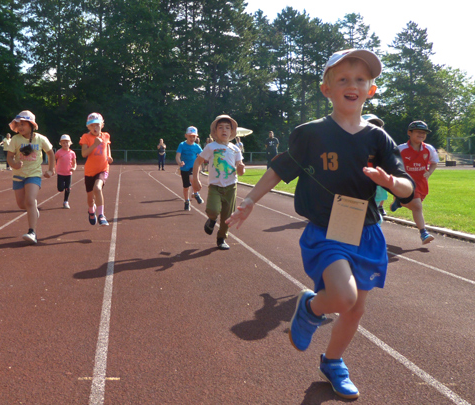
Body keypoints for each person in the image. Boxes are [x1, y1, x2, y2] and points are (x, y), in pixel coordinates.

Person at [226, 49, 415, 399]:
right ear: (326, 89)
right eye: (342, 79)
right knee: (344, 297)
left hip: (368, 231)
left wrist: (390, 182)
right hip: (327, 230)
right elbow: (280, 168)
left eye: (360, 79)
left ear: (371, 89)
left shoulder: (379, 138)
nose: (352, 85)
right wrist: (250, 200)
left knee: (356, 309)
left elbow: (407, 186)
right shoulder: (310, 133)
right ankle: (310, 307)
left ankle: (332, 361)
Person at [190, 114, 245, 250]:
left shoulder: (235, 149)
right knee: (212, 210)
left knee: (227, 217)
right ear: (215, 131)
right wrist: (195, 179)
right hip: (215, 186)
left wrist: (241, 168)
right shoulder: (211, 147)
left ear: (232, 132)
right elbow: (198, 162)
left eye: (227, 127)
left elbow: (240, 170)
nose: (224, 130)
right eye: (220, 128)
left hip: (231, 187)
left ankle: (221, 238)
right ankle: (212, 219)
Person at [6, 110, 55, 244]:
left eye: (24, 124)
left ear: (32, 125)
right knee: (22, 204)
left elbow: (50, 154)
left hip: (34, 175)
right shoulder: (15, 139)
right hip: (18, 175)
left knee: (30, 200)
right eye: (19, 124)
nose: (21, 127)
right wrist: (14, 164)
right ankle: (33, 210)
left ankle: (32, 232)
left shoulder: (40, 139)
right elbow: (9, 157)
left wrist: (51, 170)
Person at [390, 120, 439, 244]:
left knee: (416, 206)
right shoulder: (401, 149)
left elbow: (434, 163)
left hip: (422, 183)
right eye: (418, 132)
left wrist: (429, 172)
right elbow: (392, 163)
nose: (421, 135)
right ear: (409, 133)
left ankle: (400, 203)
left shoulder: (429, 149)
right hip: (407, 183)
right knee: (417, 206)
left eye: (424, 133)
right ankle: (423, 233)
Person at [80, 112, 113, 226]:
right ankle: (91, 210)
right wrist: (94, 145)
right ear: (88, 127)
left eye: (97, 125)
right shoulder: (86, 137)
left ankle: (101, 215)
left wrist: (109, 156)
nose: (95, 127)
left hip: (103, 168)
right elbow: (84, 154)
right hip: (89, 171)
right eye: (92, 125)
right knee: (90, 199)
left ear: (102, 125)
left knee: (97, 189)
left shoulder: (106, 136)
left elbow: (107, 146)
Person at [362, 114, 388, 220]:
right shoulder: (350, 145)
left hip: (377, 189)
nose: (373, 129)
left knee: (375, 219)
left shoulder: (384, 146)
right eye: (369, 125)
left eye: (376, 126)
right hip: (356, 190)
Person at [175, 126, 204, 211]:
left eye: (194, 136)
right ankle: (187, 201)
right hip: (184, 168)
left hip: (193, 167)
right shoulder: (182, 145)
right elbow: (177, 156)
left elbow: (203, 155)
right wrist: (179, 162)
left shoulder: (197, 146)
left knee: (193, 179)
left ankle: (196, 193)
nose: (192, 138)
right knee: (186, 187)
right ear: (186, 136)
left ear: (196, 137)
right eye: (190, 136)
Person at [55, 134, 77, 209]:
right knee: (60, 189)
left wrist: (73, 168)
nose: (65, 144)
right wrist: (53, 167)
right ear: (60, 143)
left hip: (68, 173)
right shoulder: (58, 152)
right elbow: (54, 159)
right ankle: (62, 187)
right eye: (63, 143)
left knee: (68, 188)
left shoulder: (72, 153)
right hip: (60, 173)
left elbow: (74, 163)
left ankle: (66, 201)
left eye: (67, 142)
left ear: (70, 143)